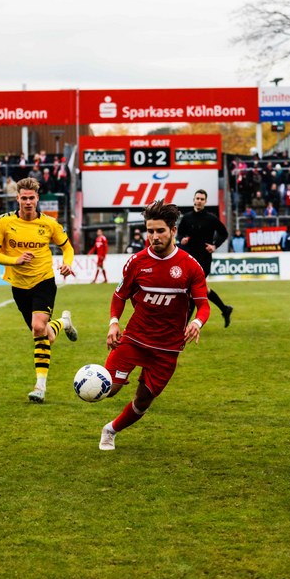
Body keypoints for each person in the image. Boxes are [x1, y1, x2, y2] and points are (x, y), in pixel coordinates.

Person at [100, 200, 209, 451]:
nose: (154, 236)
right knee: (108, 388)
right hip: (134, 339)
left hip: (167, 348)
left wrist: (197, 322)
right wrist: (114, 323)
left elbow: (203, 305)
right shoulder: (136, 262)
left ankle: (111, 430)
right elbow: (119, 296)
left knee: (142, 401)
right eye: (150, 231)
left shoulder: (190, 266)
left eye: (160, 231)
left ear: (173, 230)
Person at [0, 177, 78, 403]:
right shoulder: (4, 222)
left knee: (38, 328)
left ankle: (40, 386)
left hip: (43, 280)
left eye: (32, 198)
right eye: (24, 198)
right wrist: (15, 260)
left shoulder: (49, 224)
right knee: (46, 335)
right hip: (19, 286)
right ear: (17, 198)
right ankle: (64, 322)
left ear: (37, 199)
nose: (28, 202)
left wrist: (67, 263)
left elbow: (67, 247)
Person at [176, 189, 234, 327]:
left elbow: (224, 233)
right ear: (194, 200)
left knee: (192, 290)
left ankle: (183, 326)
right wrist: (182, 239)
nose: (199, 201)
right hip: (190, 259)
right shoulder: (187, 218)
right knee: (200, 289)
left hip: (204, 259)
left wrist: (215, 245)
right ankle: (225, 309)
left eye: (202, 199)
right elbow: (180, 234)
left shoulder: (211, 218)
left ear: (205, 202)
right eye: (197, 198)